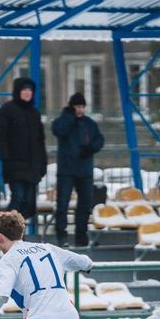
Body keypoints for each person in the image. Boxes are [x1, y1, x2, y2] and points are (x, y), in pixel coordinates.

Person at [50, 92, 104, 248]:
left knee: (85, 205)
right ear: (71, 107)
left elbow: (99, 139)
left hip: (85, 170)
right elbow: (58, 130)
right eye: (77, 107)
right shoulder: (63, 121)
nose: (80, 110)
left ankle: (81, 236)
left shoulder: (89, 123)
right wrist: (69, 116)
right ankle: (62, 236)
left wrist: (91, 148)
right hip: (67, 170)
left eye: (82, 107)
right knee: (63, 204)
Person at [0, 77, 47, 221]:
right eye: (24, 89)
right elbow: (1, 137)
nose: (27, 93)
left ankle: (17, 236)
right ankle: (5, 232)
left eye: (30, 90)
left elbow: (40, 141)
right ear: (18, 91)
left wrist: (43, 164)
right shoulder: (7, 110)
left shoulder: (34, 113)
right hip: (15, 165)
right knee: (18, 199)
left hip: (33, 166)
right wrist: (6, 160)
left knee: (29, 204)